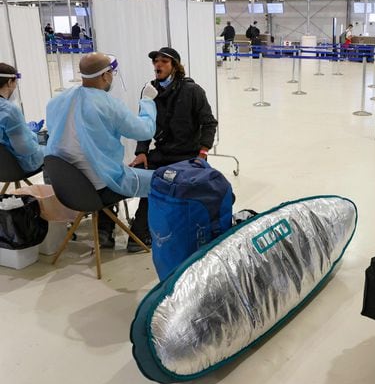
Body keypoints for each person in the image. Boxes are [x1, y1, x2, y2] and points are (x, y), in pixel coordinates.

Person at [45, 52, 158, 248]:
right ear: (105, 75)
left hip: (65, 186)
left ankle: (104, 230)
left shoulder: (57, 101)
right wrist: (147, 101)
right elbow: (145, 130)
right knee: (161, 180)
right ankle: (140, 236)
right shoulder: (108, 105)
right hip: (100, 188)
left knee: (105, 168)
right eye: (112, 73)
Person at [127, 47, 218, 252]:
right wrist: (141, 151)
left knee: (197, 189)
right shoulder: (150, 91)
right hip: (162, 151)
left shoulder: (193, 91)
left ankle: (199, 231)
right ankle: (140, 235)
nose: (158, 65)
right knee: (150, 184)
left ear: (175, 66)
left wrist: (203, 152)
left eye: (164, 62)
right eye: (155, 62)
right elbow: (144, 124)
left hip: (189, 154)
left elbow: (209, 123)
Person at [0, 63, 44, 174]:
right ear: (10, 82)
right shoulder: (10, 110)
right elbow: (25, 149)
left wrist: (25, 130)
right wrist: (32, 137)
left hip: (2, 166)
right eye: (15, 83)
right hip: (18, 166)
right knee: (56, 151)